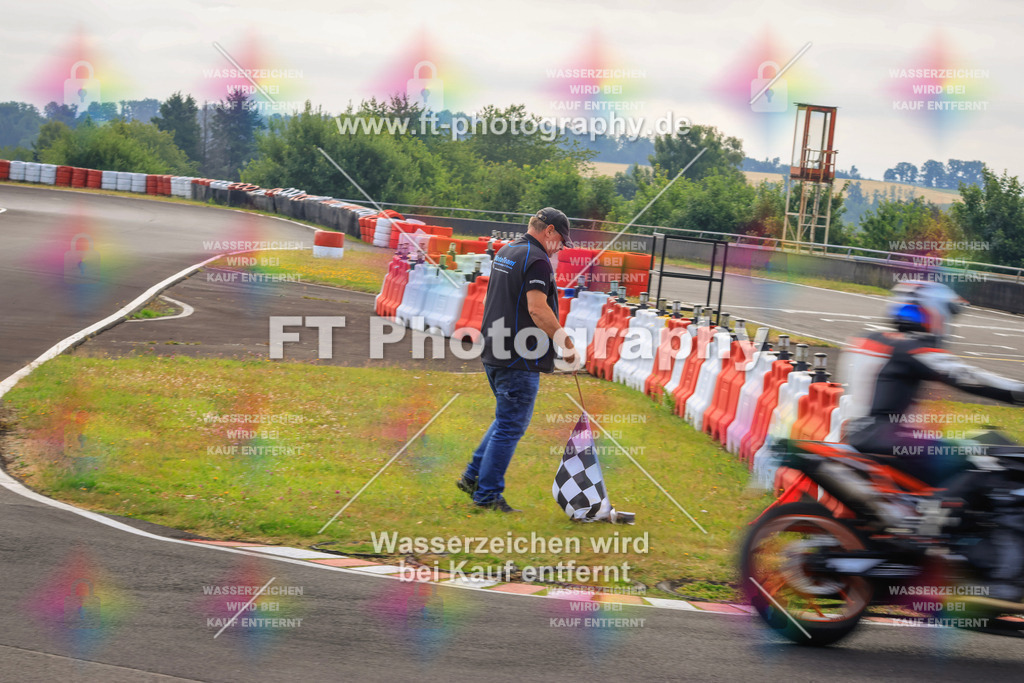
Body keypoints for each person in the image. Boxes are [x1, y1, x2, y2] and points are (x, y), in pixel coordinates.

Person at [840, 279, 1024, 599]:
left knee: (982, 440)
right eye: (946, 314)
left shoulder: (869, 339)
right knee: (993, 460)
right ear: (930, 311)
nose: (948, 322)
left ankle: (954, 536)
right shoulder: (909, 346)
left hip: (866, 433)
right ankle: (1004, 575)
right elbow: (968, 377)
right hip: (886, 436)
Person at [456, 208, 579, 512]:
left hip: (493, 348)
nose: (560, 248)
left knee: (504, 420)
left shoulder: (508, 250)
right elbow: (537, 309)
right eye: (560, 241)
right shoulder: (537, 260)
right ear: (549, 231)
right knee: (511, 425)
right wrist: (566, 343)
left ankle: (473, 476)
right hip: (518, 356)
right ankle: (487, 496)